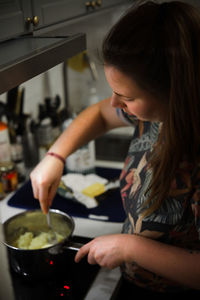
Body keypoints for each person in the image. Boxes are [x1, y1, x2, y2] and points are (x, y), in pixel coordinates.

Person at [30, 0, 200, 294]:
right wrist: (54, 157)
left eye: (127, 96)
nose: (114, 103)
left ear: (175, 90)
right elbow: (98, 114)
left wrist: (130, 247)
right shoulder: (154, 115)